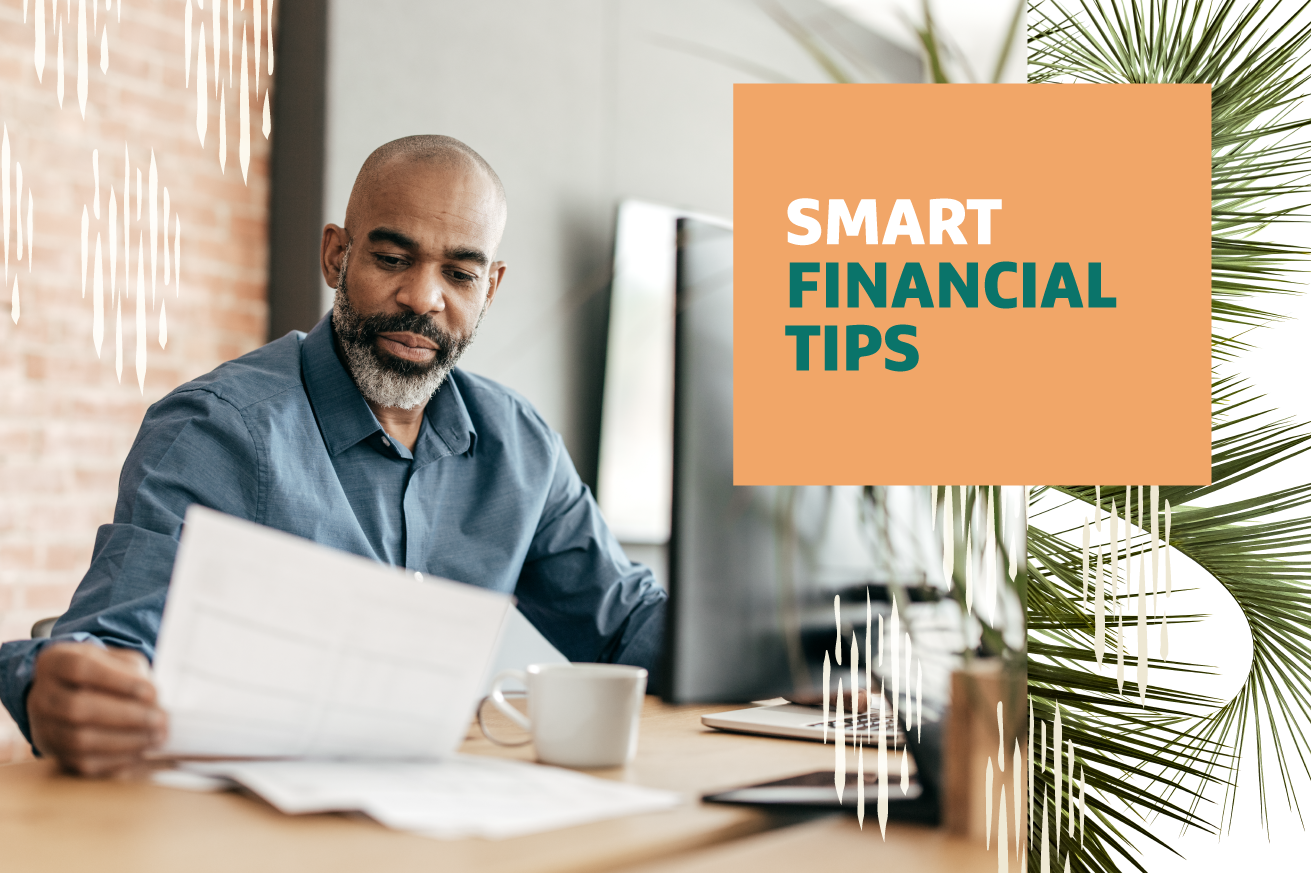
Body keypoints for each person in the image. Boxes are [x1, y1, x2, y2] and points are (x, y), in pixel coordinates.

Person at [0, 135, 666, 776]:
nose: (423, 298)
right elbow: (113, 644)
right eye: (391, 258)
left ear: (487, 288)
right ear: (335, 256)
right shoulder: (218, 429)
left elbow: (625, 622)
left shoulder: (518, 445)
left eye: (458, 273)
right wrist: (51, 690)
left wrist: (761, 632)